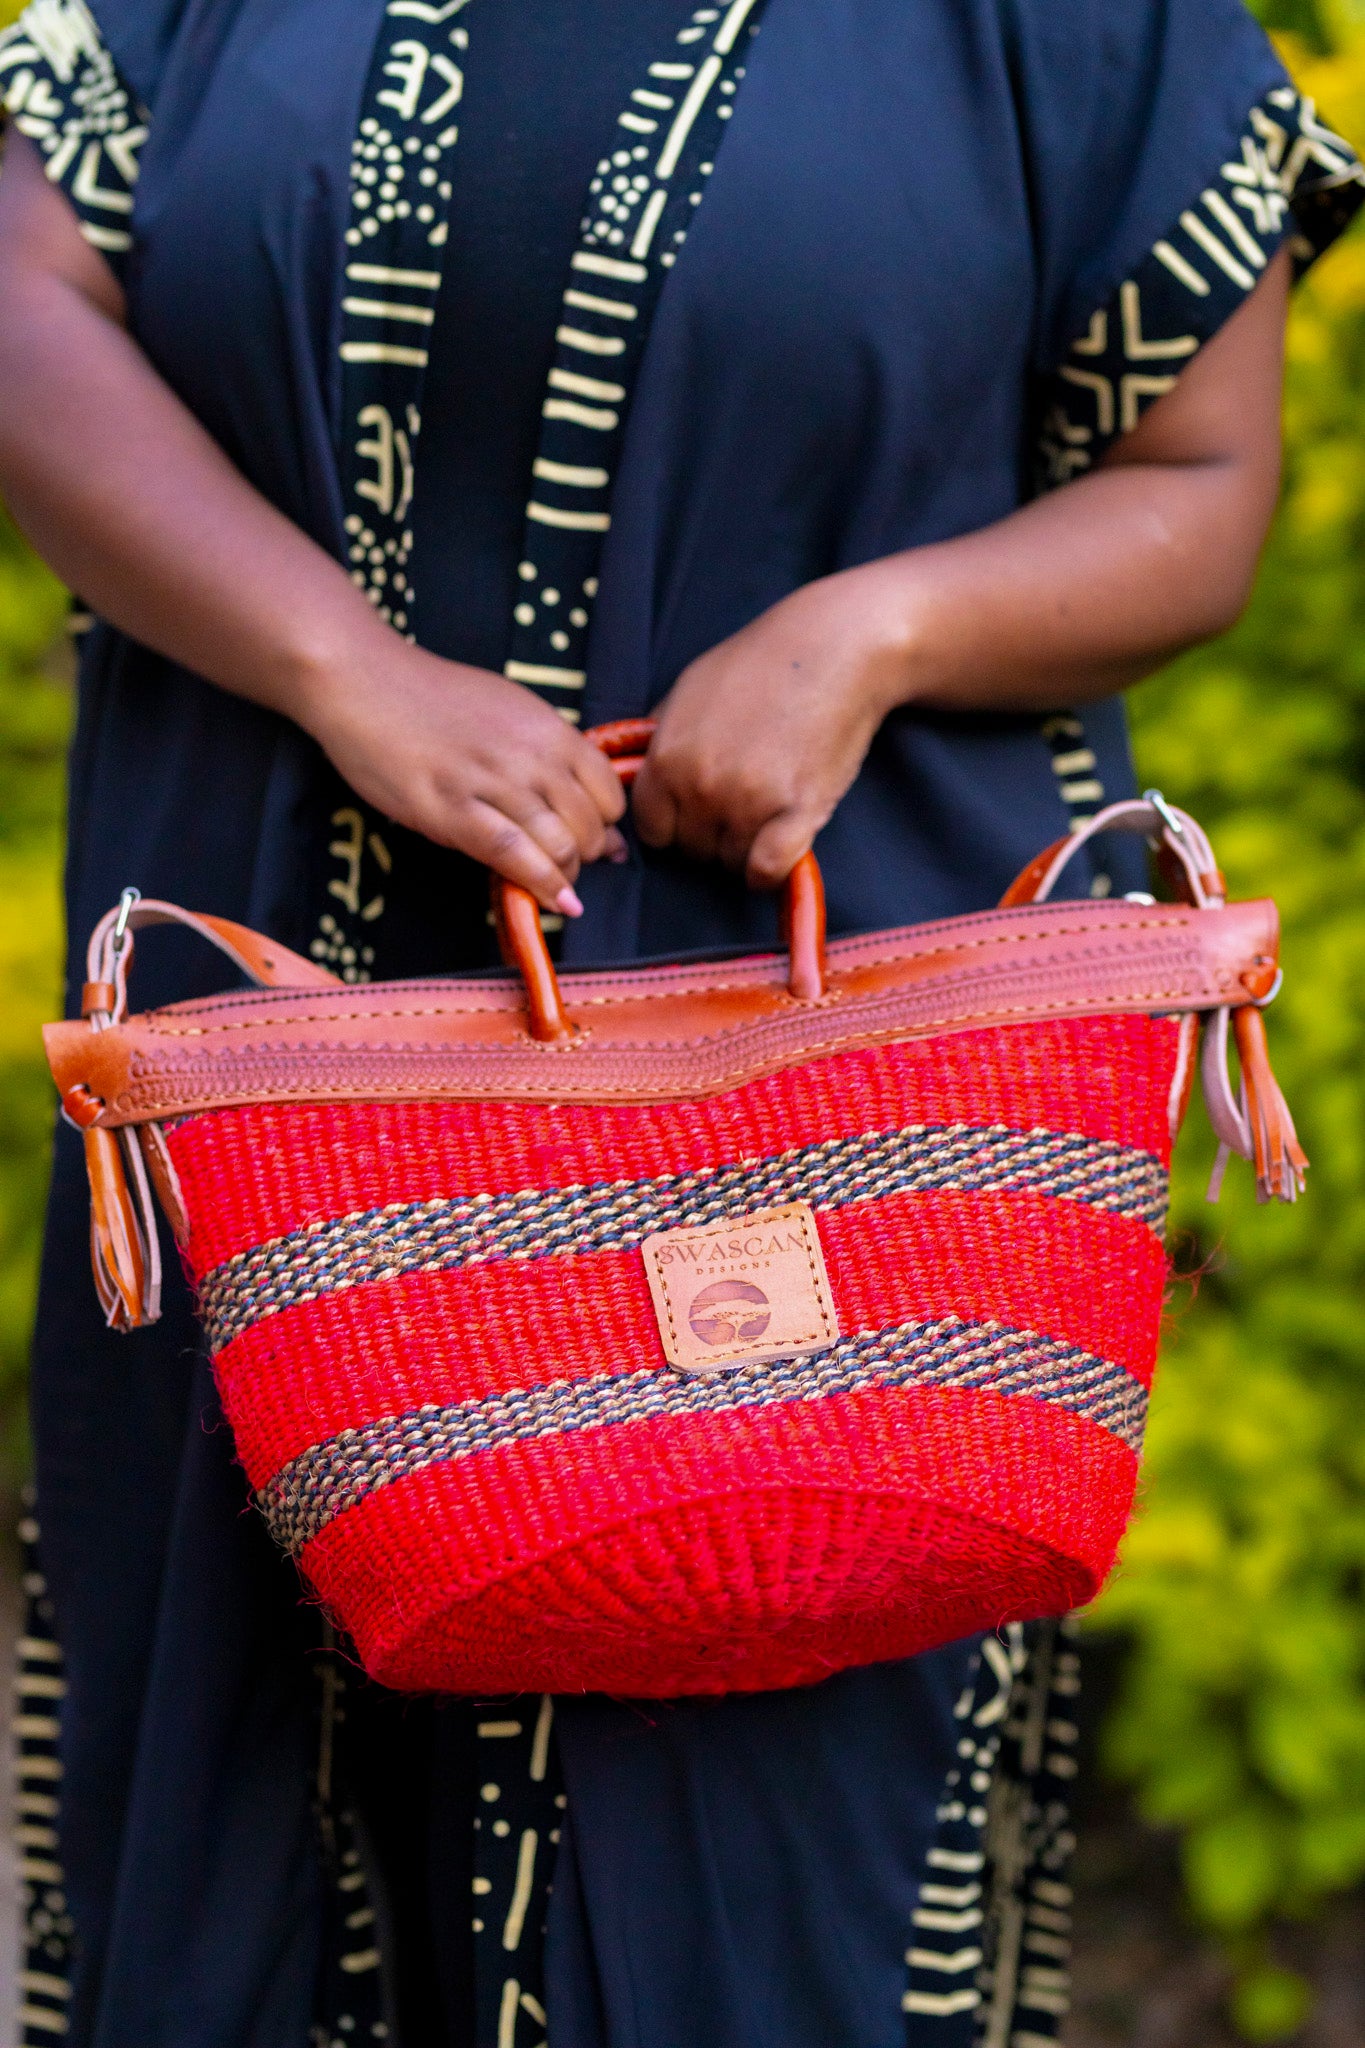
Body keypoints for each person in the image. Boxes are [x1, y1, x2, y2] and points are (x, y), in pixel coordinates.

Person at [0, 0, 1358, 2042]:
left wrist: (870, 630)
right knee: (249, 1848)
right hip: (283, 1109)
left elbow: (1199, 479)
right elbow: (24, 310)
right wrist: (341, 668)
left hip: (845, 1144)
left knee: (774, 1872)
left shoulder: (1060, 27)